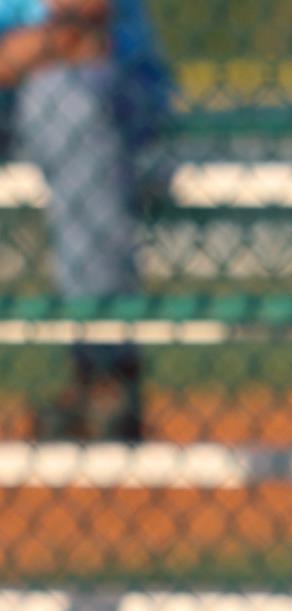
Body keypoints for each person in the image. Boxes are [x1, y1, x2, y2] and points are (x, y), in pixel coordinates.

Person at [0, 0, 172, 443]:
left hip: (99, 87)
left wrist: (41, 47)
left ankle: (104, 367)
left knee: (64, 102)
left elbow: (82, 32)